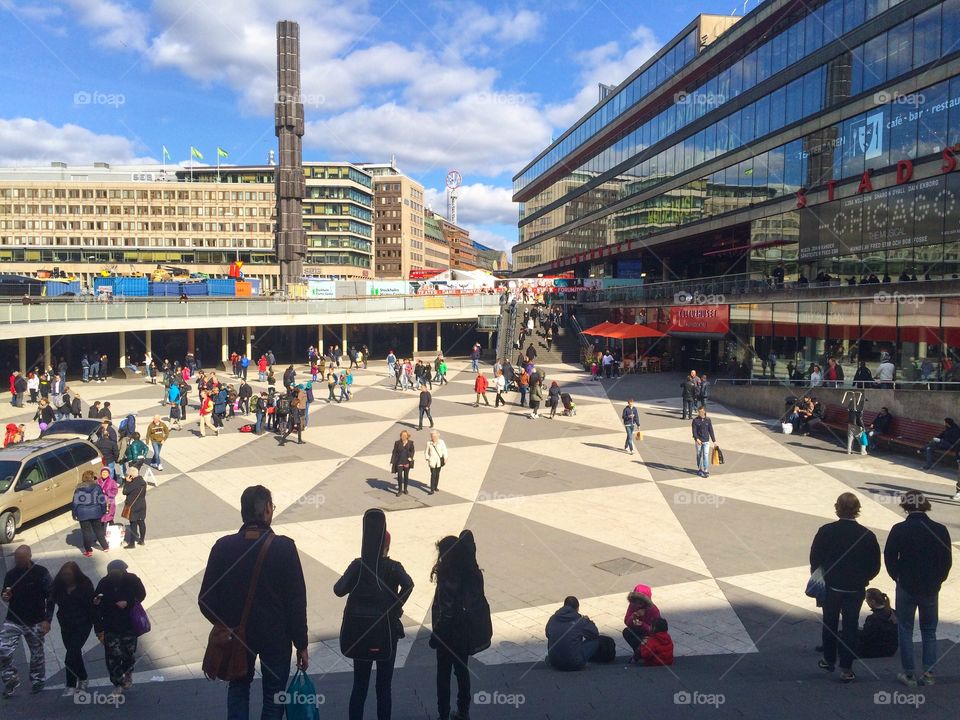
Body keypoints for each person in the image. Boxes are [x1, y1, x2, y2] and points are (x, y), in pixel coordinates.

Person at [199, 485, 308, 719]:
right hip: (276, 638)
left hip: (237, 636)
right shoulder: (284, 547)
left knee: (238, 690)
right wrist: (301, 643)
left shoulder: (223, 547)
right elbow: (296, 602)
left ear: (243, 512)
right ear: (268, 509)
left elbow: (205, 599)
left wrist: (226, 623)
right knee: (274, 695)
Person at [334, 509, 413, 720]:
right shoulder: (393, 567)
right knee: (383, 687)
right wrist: (395, 606)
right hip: (386, 631)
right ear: (387, 546)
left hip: (361, 632)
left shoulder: (358, 565)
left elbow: (338, 589)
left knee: (359, 685)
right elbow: (409, 584)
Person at [809, 493, 881, 683]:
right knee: (850, 626)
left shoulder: (825, 531)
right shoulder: (867, 535)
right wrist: (863, 579)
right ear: (857, 509)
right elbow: (875, 565)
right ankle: (847, 668)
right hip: (854, 588)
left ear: (837, 508)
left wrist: (821, 576)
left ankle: (828, 659)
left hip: (831, 586)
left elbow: (815, 559)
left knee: (830, 622)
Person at [884, 490, 953, 687]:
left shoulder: (899, 529)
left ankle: (909, 674)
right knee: (929, 630)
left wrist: (896, 577)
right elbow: (946, 560)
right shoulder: (940, 529)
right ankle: (929, 673)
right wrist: (938, 580)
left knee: (905, 629)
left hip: (906, 584)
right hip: (931, 586)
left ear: (905, 506)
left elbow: (889, 557)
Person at [430, 531, 490, 720]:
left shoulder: (448, 577)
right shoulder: (473, 574)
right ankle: (463, 712)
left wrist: (437, 634)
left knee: (443, 676)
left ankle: (443, 714)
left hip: (448, 635)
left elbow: (446, 611)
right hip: (465, 632)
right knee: (462, 672)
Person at [0, 546, 52, 697]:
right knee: (3, 650)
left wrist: (47, 620)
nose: (18, 561)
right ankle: (11, 678)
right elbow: (5, 593)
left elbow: (51, 597)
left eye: (21, 558)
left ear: (29, 556)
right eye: (16, 558)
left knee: (36, 653)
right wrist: (5, 596)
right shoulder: (11, 574)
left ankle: (37, 680)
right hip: (13, 619)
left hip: (35, 620)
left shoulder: (41, 573)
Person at [93, 559, 146, 696]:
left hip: (129, 624)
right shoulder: (104, 582)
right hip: (111, 625)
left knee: (128, 652)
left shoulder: (132, 580)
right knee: (112, 656)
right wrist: (97, 600)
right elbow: (97, 598)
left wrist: (128, 602)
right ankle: (117, 683)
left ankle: (128, 672)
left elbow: (141, 594)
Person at [47, 562, 96, 695]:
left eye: (68, 574)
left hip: (82, 624)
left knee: (70, 655)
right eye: (64, 574)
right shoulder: (58, 586)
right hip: (66, 624)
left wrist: (98, 628)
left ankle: (71, 684)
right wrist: (47, 620)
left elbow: (92, 607)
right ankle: (83, 677)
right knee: (74, 652)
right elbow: (50, 601)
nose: (66, 577)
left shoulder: (85, 585)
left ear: (75, 574)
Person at [545, 596, 613, 671]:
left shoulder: (553, 618)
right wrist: (588, 621)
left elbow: (548, 634)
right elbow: (594, 634)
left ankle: (554, 658)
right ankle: (576, 659)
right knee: (595, 640)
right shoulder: (580, 620)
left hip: (554, 662)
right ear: (577, 608)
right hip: (574, 663)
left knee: (553, 637)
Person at [73, 470, 108, 557]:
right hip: (96, 512)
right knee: (98, 530)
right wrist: (103, 510)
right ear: (92, 478)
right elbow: (102, 500)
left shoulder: (78, 488)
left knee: (86, 532)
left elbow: (75, 502)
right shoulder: (97, 487)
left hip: (83, 513)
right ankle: (105, 547)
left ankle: (89, 550)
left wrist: (74, 513)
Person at [856, 588, 898, 659]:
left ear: (873, 601)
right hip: (891, 649)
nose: (866, 602)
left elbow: (865, 636)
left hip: (876, 650)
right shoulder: (894, 613)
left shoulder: (873, 618)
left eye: (867, 600)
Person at [622, 583, 660, 652]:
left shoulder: (653, 610)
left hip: (650, 636)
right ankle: (638, 651)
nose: (638, 605)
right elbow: (626, 621)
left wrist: (642, 625)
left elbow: (656, 630)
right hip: (639, 632)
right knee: (627, 631)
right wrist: (633, 616)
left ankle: (642, 652)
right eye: (636, 602)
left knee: (648, 640)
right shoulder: (633, 605)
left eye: (640, 603)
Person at [121, 470, 147, 548]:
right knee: (141, 522)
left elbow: (125, 491)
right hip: (142, 505)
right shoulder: (143, 481)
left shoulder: (133, 483)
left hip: (133, 506)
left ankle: (132, 544)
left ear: (131, 475)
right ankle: (142, 540)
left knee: (133, 524)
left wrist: (127, 482)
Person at [692, 406, 716, 478]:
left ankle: (706, 470)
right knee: (699, 455)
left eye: (702, 411)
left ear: (704, 411)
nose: (700, 413)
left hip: (706, 441)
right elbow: (694, 432)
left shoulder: (708, 420)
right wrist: (697, 439)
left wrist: (714, 441)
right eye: (699, 412)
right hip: (699, 441)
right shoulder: (695, 421)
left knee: (705, 455)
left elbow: (711, 430)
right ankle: (700, 469)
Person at [390, 430, 415, 496]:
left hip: (407, 462)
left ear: (407, 436)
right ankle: (400, 490)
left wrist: (411, 457)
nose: (403, 436)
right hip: (399, 462)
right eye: (402, 435)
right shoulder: (397, 443)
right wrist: (392, 461)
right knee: (399, 476)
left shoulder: (410, 443)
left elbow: (412, 451)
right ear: (400, 436)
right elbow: (394, 452)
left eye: (405, 435)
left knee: (406, 476)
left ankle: (405, 489)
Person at [425, 430, 448, 495]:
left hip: (439, 461)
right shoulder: (428, 443)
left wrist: (445, 458)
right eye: (432, 436)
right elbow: (426, 451)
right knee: (433, 475)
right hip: (432, 461)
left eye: (435, 436)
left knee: (437, 474)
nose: (433, 438)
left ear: (438, 436)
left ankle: (435, 486)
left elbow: (445, 450)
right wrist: (427, 458)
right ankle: (432, 490)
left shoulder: (441, 442)